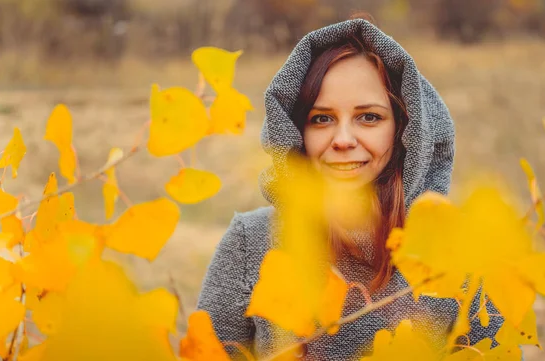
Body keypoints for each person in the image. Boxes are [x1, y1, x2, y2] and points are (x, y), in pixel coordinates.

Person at [196, 16, 508, 360]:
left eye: (369, 117)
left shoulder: (461, 251)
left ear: (406, 130)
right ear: (295, 133)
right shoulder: (250, 242)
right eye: (322, 118)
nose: (343, 140)